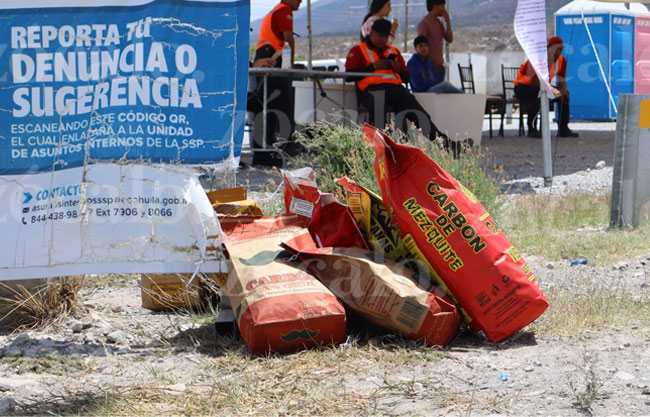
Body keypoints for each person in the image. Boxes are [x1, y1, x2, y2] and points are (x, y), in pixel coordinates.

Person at [345, 19, 449, 145]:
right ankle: (379, 147)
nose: (383, 39)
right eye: (380, 36)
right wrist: (373, 67)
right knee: (379, 113)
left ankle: (443, 142)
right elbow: (349, 76)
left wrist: (398, 69)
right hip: (372, 90)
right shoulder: (358, 50)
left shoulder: (393, 51)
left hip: (395, 89)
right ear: (371, 34)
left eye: (386, 36)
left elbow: (407, 78)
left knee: (418, 113)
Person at [251, 0, 302, 166]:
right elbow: (288, 38)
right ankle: (282, 148)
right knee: (279, 105)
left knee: (268, 106)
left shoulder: (275, 11)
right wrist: (290, 64)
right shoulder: (283, 10)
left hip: (266, 56)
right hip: (271, 58)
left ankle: (266, 152)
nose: (301, 1)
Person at [513, 36, 579, 138]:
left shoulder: (562, 61)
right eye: (556, 49)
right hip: (524, 87)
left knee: (564, 95)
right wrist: (551, 90)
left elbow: (562, 82)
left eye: (560, 49)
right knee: (536, 93)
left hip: (543, 87)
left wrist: (562, 92)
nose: (558, 52)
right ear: (548, 48)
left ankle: (563, 128)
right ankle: (532, 128)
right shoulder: (538, 59)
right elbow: (535, 82)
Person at [416, 0, 453, 77]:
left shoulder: (438, 23)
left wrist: (447, 21)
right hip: (429, 67)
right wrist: (435, 63)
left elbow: (449, 39)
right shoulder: (424, 24)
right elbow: (421, 48)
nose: (444, 9)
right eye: (442, 7)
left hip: (439, 65)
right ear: (435, 6)